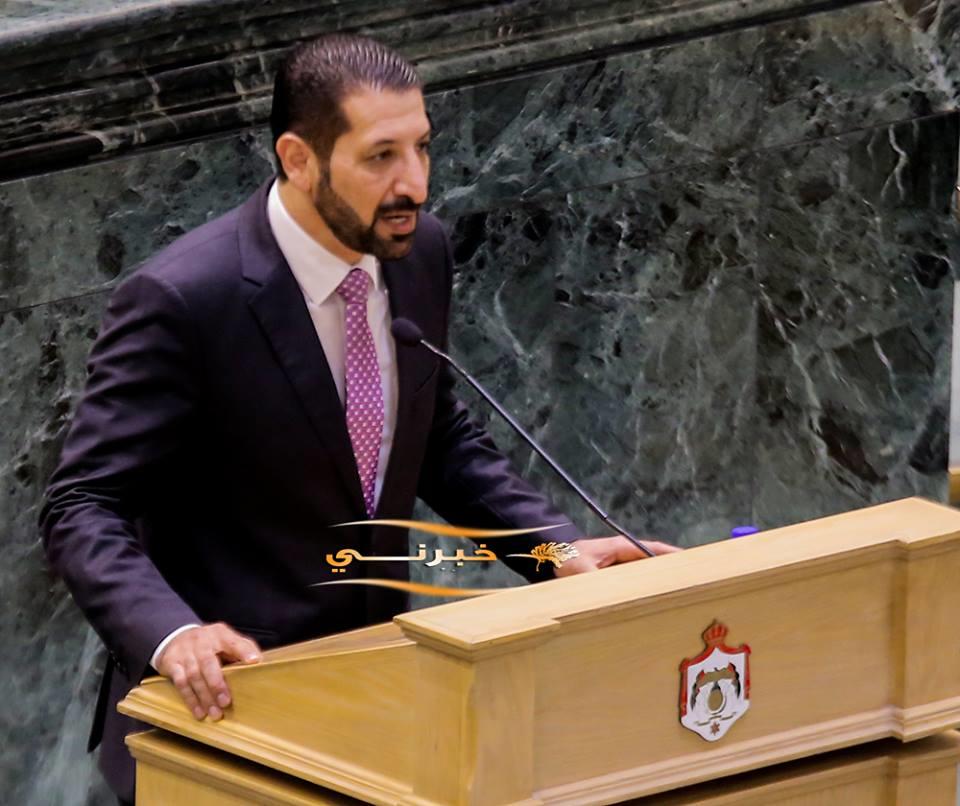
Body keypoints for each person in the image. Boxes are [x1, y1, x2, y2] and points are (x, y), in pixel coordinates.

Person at [39, 33, 676, 804]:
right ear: (298, 159)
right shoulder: (184, 300)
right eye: (381, 157)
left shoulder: (418, 252)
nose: (415, 183)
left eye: (422, 148)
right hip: (223, 720)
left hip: (373, 696)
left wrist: (556, 552)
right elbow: (82, 506)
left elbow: (434, 439)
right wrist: (174, 636)